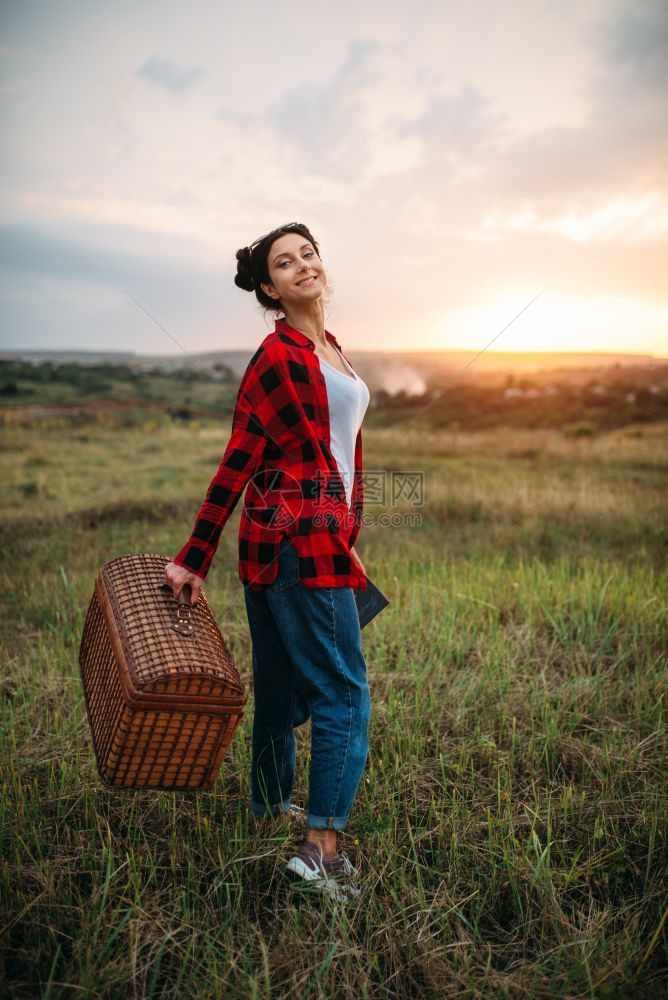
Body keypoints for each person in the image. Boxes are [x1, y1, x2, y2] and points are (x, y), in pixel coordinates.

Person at [164, 222, 372, 903]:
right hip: (296, 538)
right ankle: (320, 851)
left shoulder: (330, 349)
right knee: (344, 693)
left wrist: (349, 529)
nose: (303, 266)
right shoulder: (277, 355)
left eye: (308, 253)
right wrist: (195, 555)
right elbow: (239, 459)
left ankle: (265, 808)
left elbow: (339, 453)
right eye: (285, 263)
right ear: (268, 287)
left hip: (306, 537)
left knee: (281, 689)